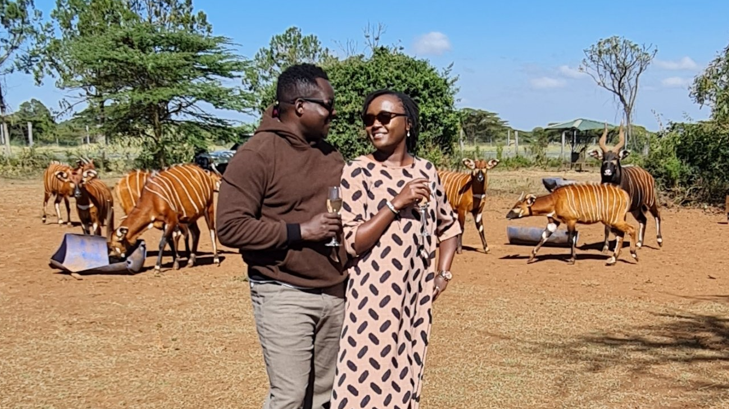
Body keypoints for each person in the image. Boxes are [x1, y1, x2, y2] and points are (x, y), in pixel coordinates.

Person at [216, 63, 347, 409]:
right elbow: (229, 226)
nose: (334, 113)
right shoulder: (256, 155)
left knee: (324, 396)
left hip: (335, 292)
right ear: (300, 106)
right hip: (283, 292)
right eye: (328, 105)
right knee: (289, 397)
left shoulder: (331, 155)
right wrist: (300, 232)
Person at [330, 90, 461, 409]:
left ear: (408, 125)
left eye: (385, 117)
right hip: (369, 303)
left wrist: (441, 276)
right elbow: (353, 241)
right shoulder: (357, 172)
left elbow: (450, 226)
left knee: (405, 386)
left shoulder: (427, 172)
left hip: (414, 304)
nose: (375, 124)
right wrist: (395, 202)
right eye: (369, 119)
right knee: (357, 389)